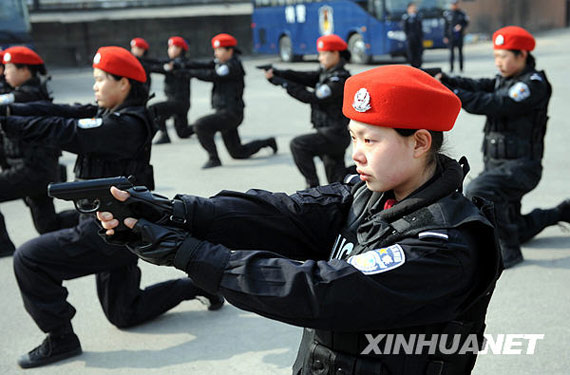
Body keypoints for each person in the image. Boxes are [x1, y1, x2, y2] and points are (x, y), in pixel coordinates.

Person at [98, 65, 503, 374]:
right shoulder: (366, 194)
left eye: (370, 140)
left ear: (419, 142)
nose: (356, 153)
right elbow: (282, 213)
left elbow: (321, 291)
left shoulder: (445, 242)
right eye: (353, 136)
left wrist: (188, 254)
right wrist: (177, 211)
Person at [1, 46, 223, 369]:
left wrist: (12, 125)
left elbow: (65, 130)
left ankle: (60, 337)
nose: (95, 86)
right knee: (124, 313)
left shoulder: (125, 126)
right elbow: (63, 111)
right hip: (116, 227)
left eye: (101, 79)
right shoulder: (110, 113)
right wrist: (8, 114)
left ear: (124, 84)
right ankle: (197, 286)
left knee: (29, 259)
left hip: (109, 232)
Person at [437, 26, 570, 268]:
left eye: (504, 56)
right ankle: (560, 212)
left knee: (479, 190)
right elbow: (478, 85)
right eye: (496, 56)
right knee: (515, 226)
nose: (498, 62)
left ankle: (508, 250)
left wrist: (452, 93)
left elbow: (497, 103)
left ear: (522, 55)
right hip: (497, 166)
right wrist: (446, 79)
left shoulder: (532, 84)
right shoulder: (506, 80)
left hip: (521, 168)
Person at [264, 34, 351, 188]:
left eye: (324, 54)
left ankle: (312, 188)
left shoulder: (339, 80)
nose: (320, 58)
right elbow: (304, 77)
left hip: (334, 135)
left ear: (336, 53)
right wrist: (279, 73)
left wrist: (284, 84)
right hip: (329, 133)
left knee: (299, 145)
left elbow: (311, 97)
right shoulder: (326, 73)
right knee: (337, 183)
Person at [181, 33, 277, 169]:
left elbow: (212, 75)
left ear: (229, 50)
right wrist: (184, 66)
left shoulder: (232, 66)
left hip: (231, 113)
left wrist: (190, 74)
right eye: (215, 50)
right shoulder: (222, 64)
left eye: (219, 50)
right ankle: (267, 142)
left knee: (201, 125)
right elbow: (203, 66)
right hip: (224, 111)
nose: (216, 53)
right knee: (238, 153)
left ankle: (214, 159)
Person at [0, 46, 60, 258]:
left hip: (32, 169)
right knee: (48, 225)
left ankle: (3, 245)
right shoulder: (25, 93)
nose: (5, 72)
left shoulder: (27, 95)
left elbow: (6, 102)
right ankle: (89, 226)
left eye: (8, 67)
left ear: (25, 70)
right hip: (34, 169)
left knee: (48, 224)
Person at [148, 36, 194, 144]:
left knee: (153, 109)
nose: (170, 50)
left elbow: (158, 68)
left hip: (179, 102)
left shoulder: (181, 64)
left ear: (181, 49)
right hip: (176, 102)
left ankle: (165, 136)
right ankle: (201, 126)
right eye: (170, 47)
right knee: (182, 132)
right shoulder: (171, 63)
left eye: (174, 47)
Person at [443, 0, 469, 73]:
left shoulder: (462, 13)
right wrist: (445, 36)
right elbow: (445, 26)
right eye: (453, 4)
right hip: (451, 36)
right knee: (451, 53)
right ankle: (451, 68)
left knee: (460, 52)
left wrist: (461, 26)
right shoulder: (447, 14)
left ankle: (461, 68)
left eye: (455, 4)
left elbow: (466, 23)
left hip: (459, 36)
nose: (454, 5)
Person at [402, 2, 423, 68]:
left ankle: (419, 67)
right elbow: (405, 29)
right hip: (410, 39)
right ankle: (412, 66)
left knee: (418, 54)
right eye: (412, 8)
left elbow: (420, 28)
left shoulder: (418, 17)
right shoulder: (406, 18)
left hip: (418, 39)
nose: (413, 9)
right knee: (411, 54)